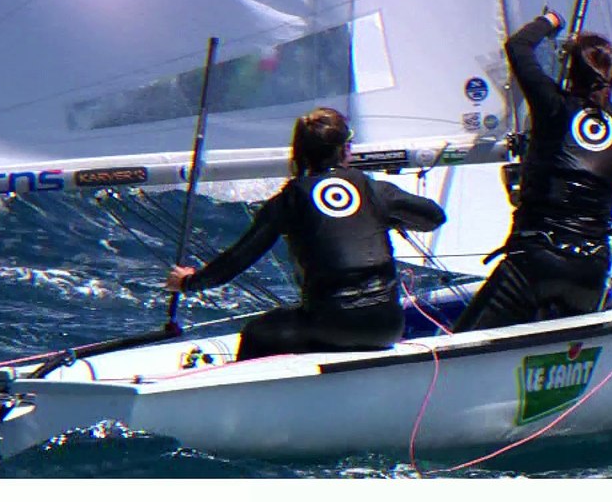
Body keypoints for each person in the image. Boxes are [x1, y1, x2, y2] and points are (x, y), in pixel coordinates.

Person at [165, 106, 446, 361]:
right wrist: (383, 217)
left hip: (330, 325)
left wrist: (190, 283)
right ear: (344, 150)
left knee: (256, 333)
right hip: (387, 325)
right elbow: (434, 217)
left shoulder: (291, 198)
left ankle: (251, 410)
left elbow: (239, 258)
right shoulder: (373, 189)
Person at [454, 9, 612, 332]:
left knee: (462, 344)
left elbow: (518, 47)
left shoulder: (553, 106)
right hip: (592, 268)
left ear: (570, 72)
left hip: (538, 261)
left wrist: (549, 21)